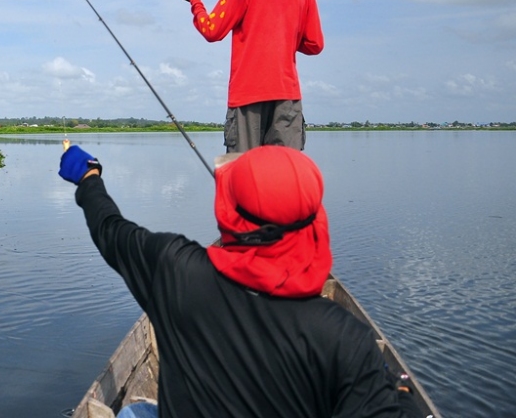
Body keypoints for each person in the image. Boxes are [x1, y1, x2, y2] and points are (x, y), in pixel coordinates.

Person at [59, 142, 424, 418]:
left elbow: (109, 227)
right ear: (315, 220)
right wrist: (403, 398)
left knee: (132, 413)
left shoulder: (173, 268)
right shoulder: (346, 338)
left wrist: (88, 175)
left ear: (228, 214)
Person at [178, 0, 323, 153]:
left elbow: (211, 30)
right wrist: (282, 33)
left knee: (241, 175)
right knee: (284, 179)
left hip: (246, 100)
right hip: (288, 100)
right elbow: (314, 44)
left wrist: (194, 0)